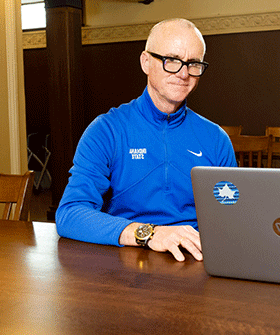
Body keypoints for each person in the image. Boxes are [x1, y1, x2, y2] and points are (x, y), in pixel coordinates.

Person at [56, 18, 237, 262]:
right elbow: (70, 214)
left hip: (196, 261)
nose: (183, 73)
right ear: (146, 62)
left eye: (193, 63)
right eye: (171, 60)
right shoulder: (107, 130)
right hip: (128, 261)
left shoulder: (216, 139)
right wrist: (149, 234)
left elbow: (233, 216)